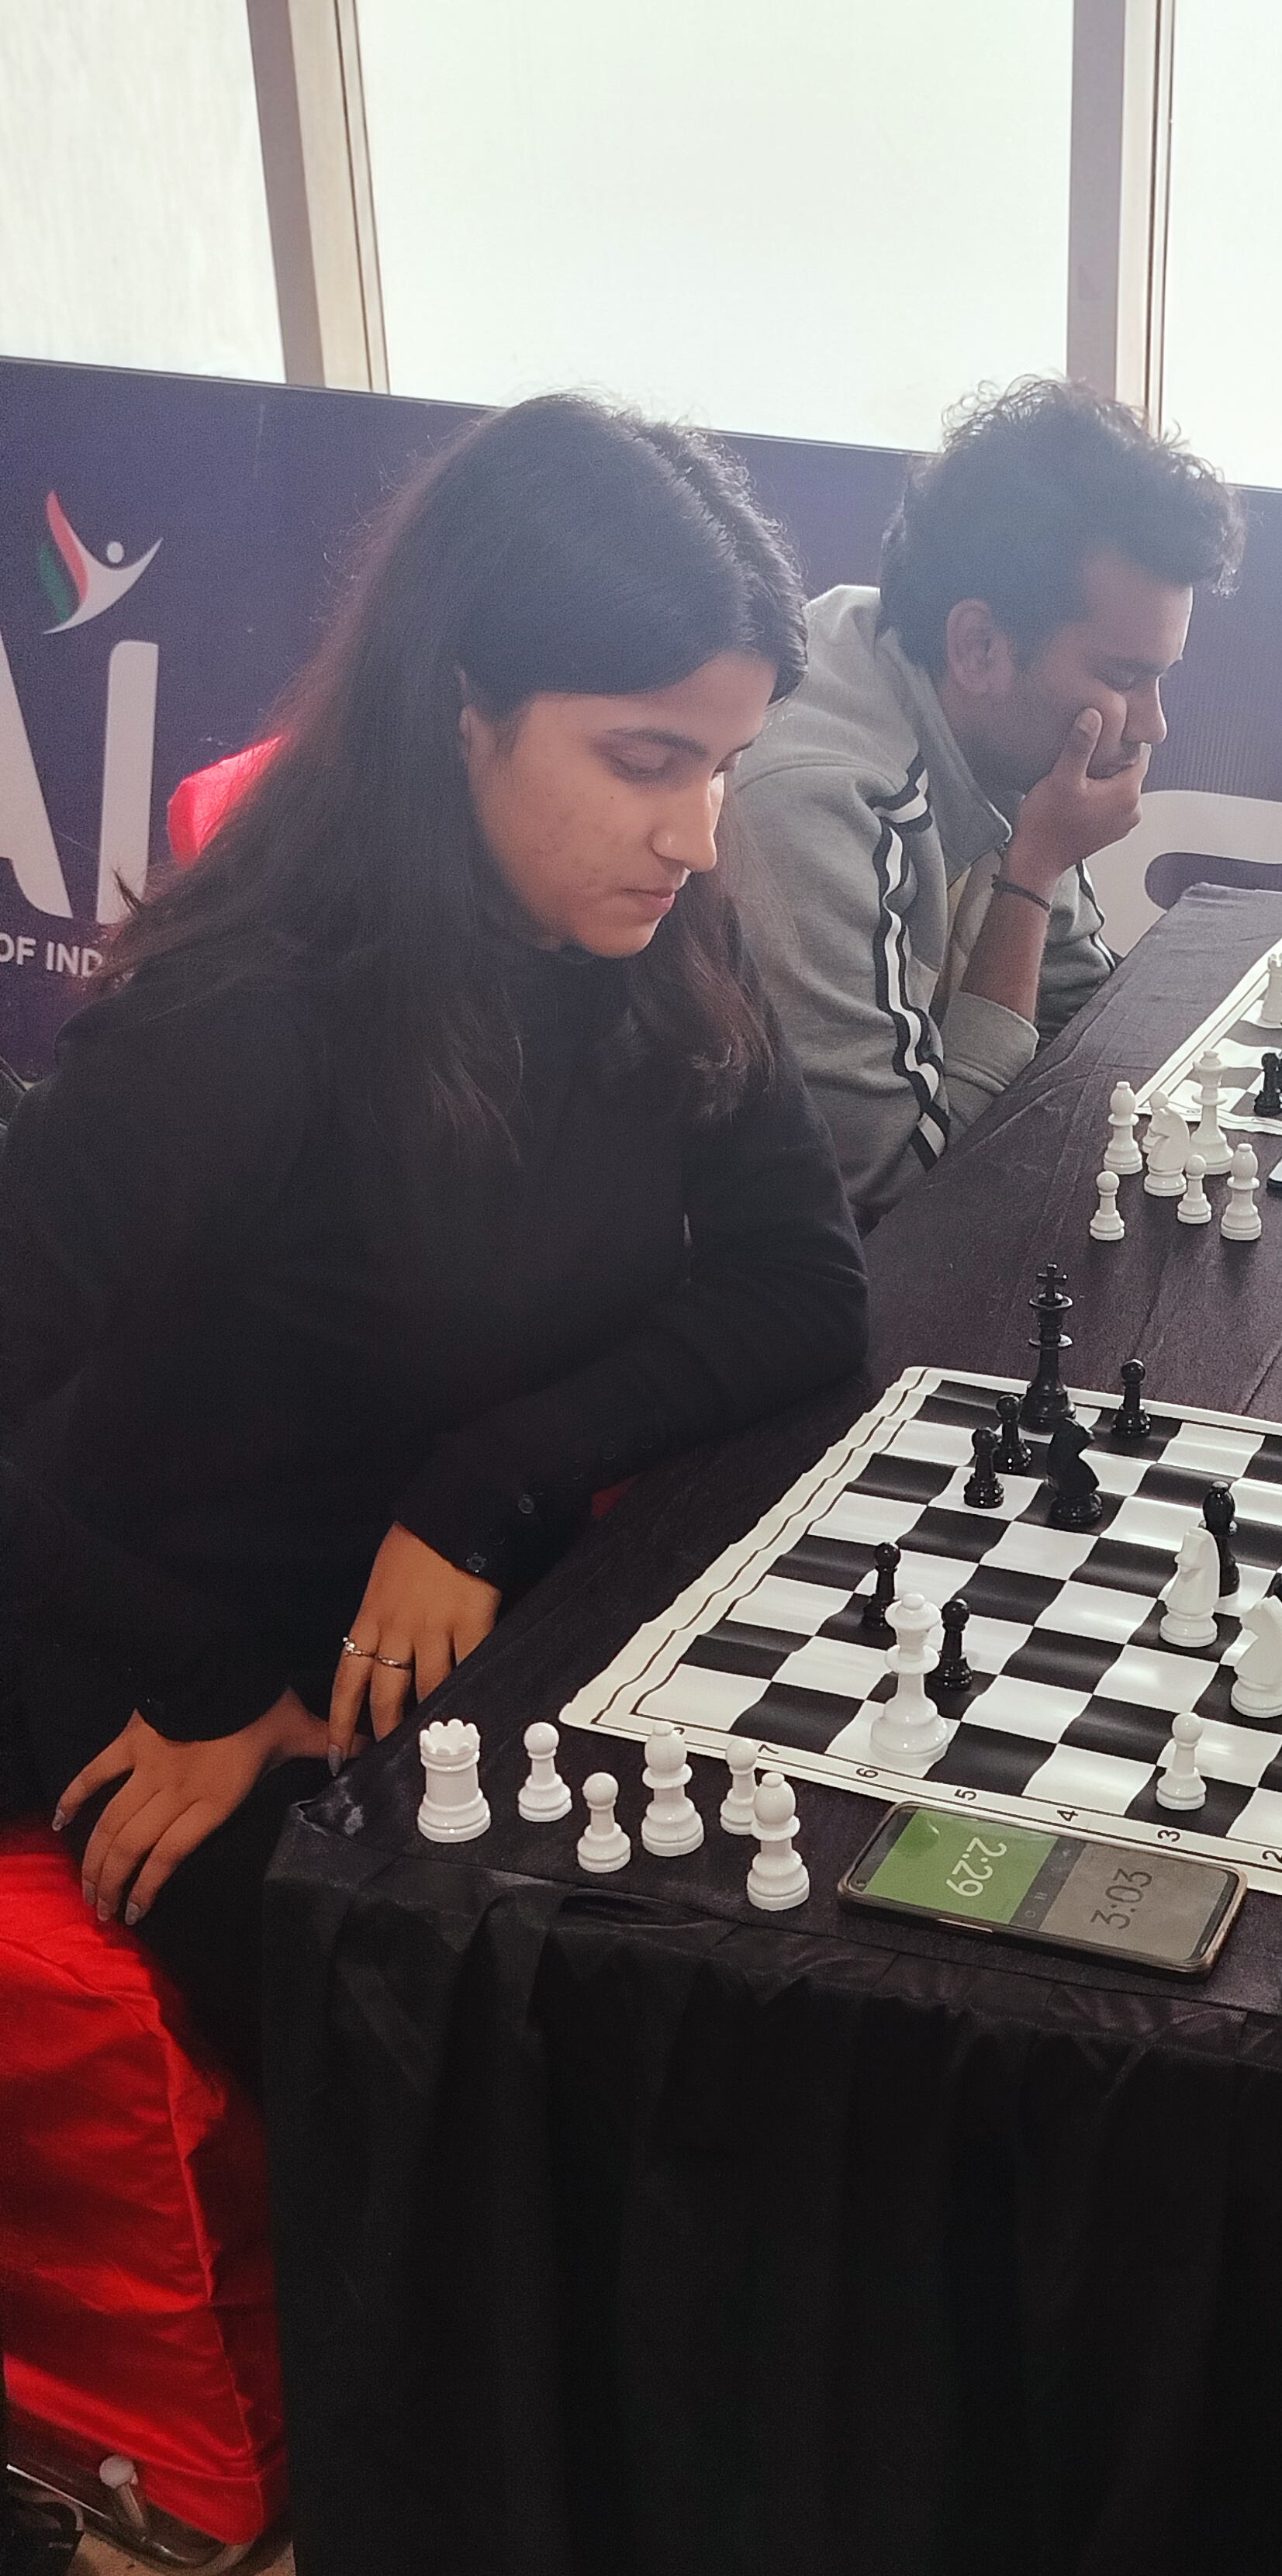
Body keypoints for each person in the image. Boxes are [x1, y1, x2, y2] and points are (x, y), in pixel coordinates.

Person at [0, 396, 869, 2085]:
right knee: (500, 2076)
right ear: (461, 707)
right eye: (645, 759)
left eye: (723, 767)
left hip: (448, 1602)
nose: (696, 836)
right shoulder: (237, 1022)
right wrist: (211, 1681)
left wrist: (489, 1480)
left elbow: (807, 1289)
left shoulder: (661, 932)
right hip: (149, 1630)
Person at [726, 378, 1243, 1222]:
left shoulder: (989, 723)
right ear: (978, 645)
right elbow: (897, 1186)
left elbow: (1081, 1024)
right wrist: (1033, 871)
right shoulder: (816, 802)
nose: (1152, 726)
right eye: (1124, 677)